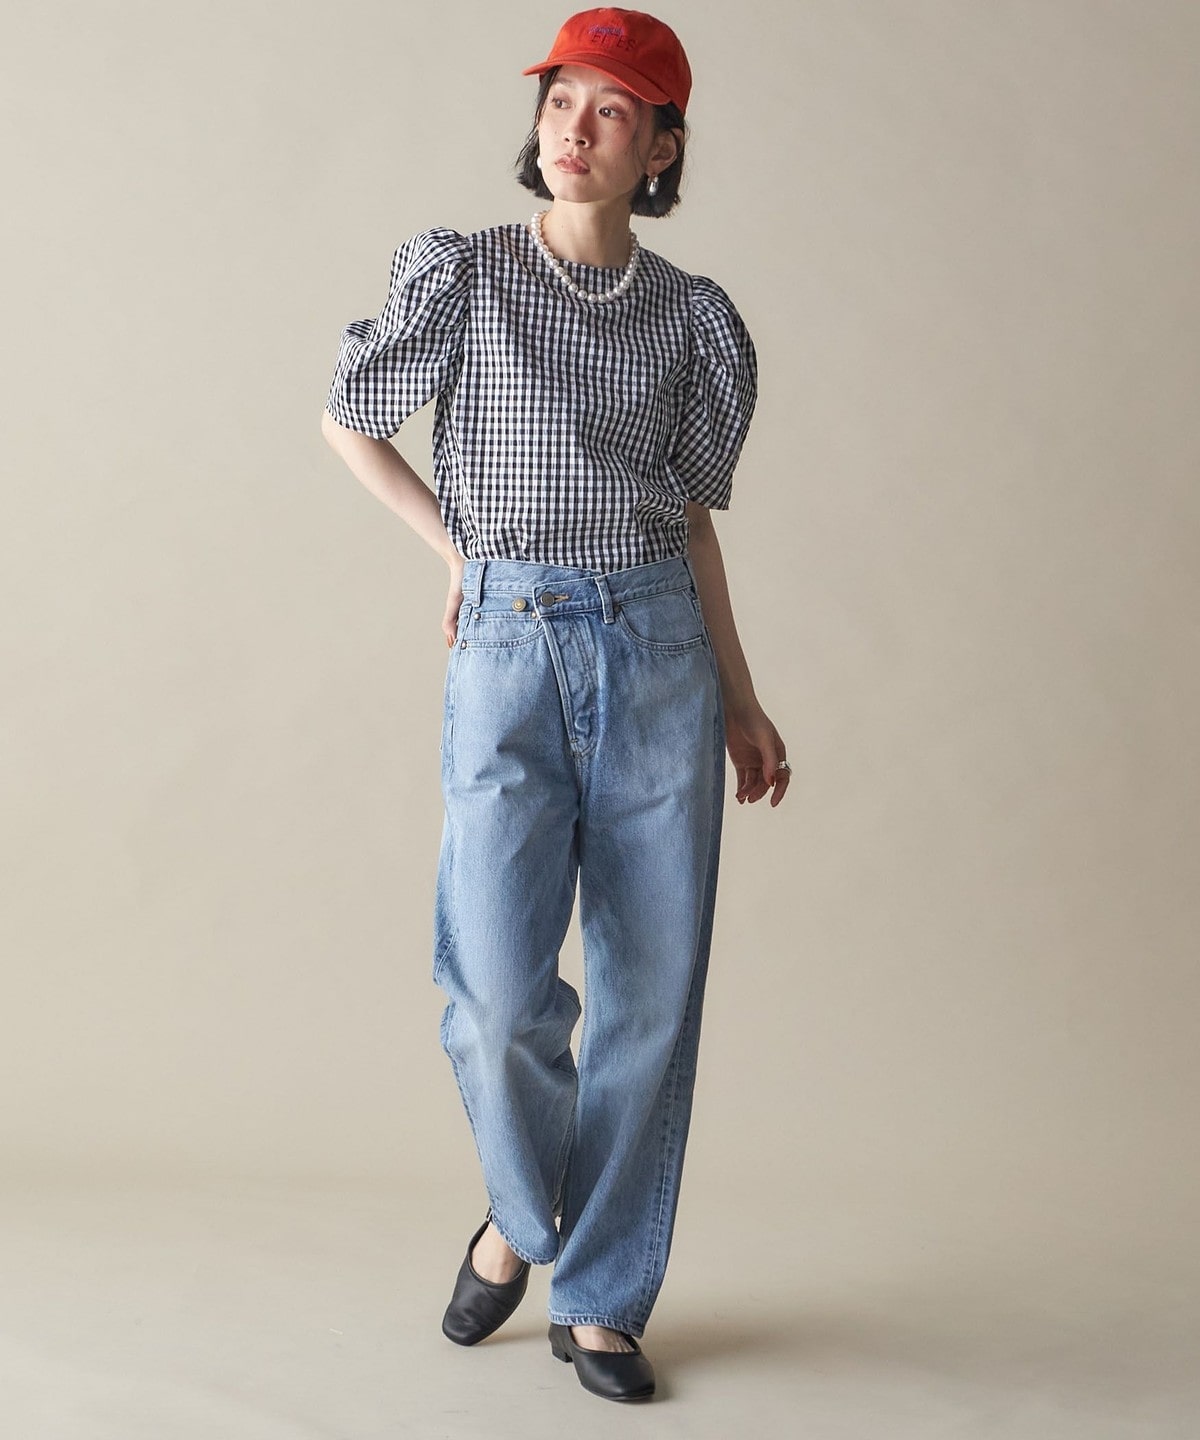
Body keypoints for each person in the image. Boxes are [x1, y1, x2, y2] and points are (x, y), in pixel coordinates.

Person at [321, 6, 790, 1404]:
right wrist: (456, 552)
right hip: (509, 650)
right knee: (494, 991)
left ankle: (601, 1298)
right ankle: (524, 1222)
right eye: (562, 100)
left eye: (612, 110)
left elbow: (693, 523)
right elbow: (350, 417)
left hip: (658, 652)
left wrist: (742, 698)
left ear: (661, 148)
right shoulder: (464, 276)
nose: (576, 129)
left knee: (649, 995)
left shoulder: (695, 321)